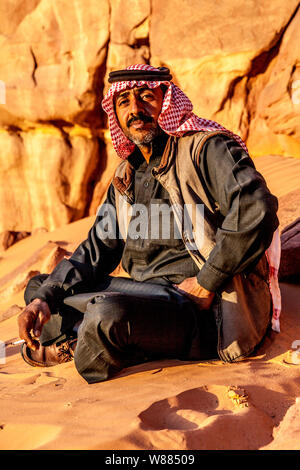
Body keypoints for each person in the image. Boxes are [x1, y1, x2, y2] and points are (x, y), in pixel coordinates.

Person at [18, 64, 280, 384]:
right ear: (115, 112)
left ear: (167, 101)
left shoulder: (205, 150)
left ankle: (84, 340)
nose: (136, 110)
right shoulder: (128, 174)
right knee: (42, 290)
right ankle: (88, 333)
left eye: (146, 97)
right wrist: (44, 299)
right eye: (124, 102)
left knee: (107, 315)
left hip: (202, 309)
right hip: (146, 298)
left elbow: (257, 208)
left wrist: (207, 280)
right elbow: (95, 251)